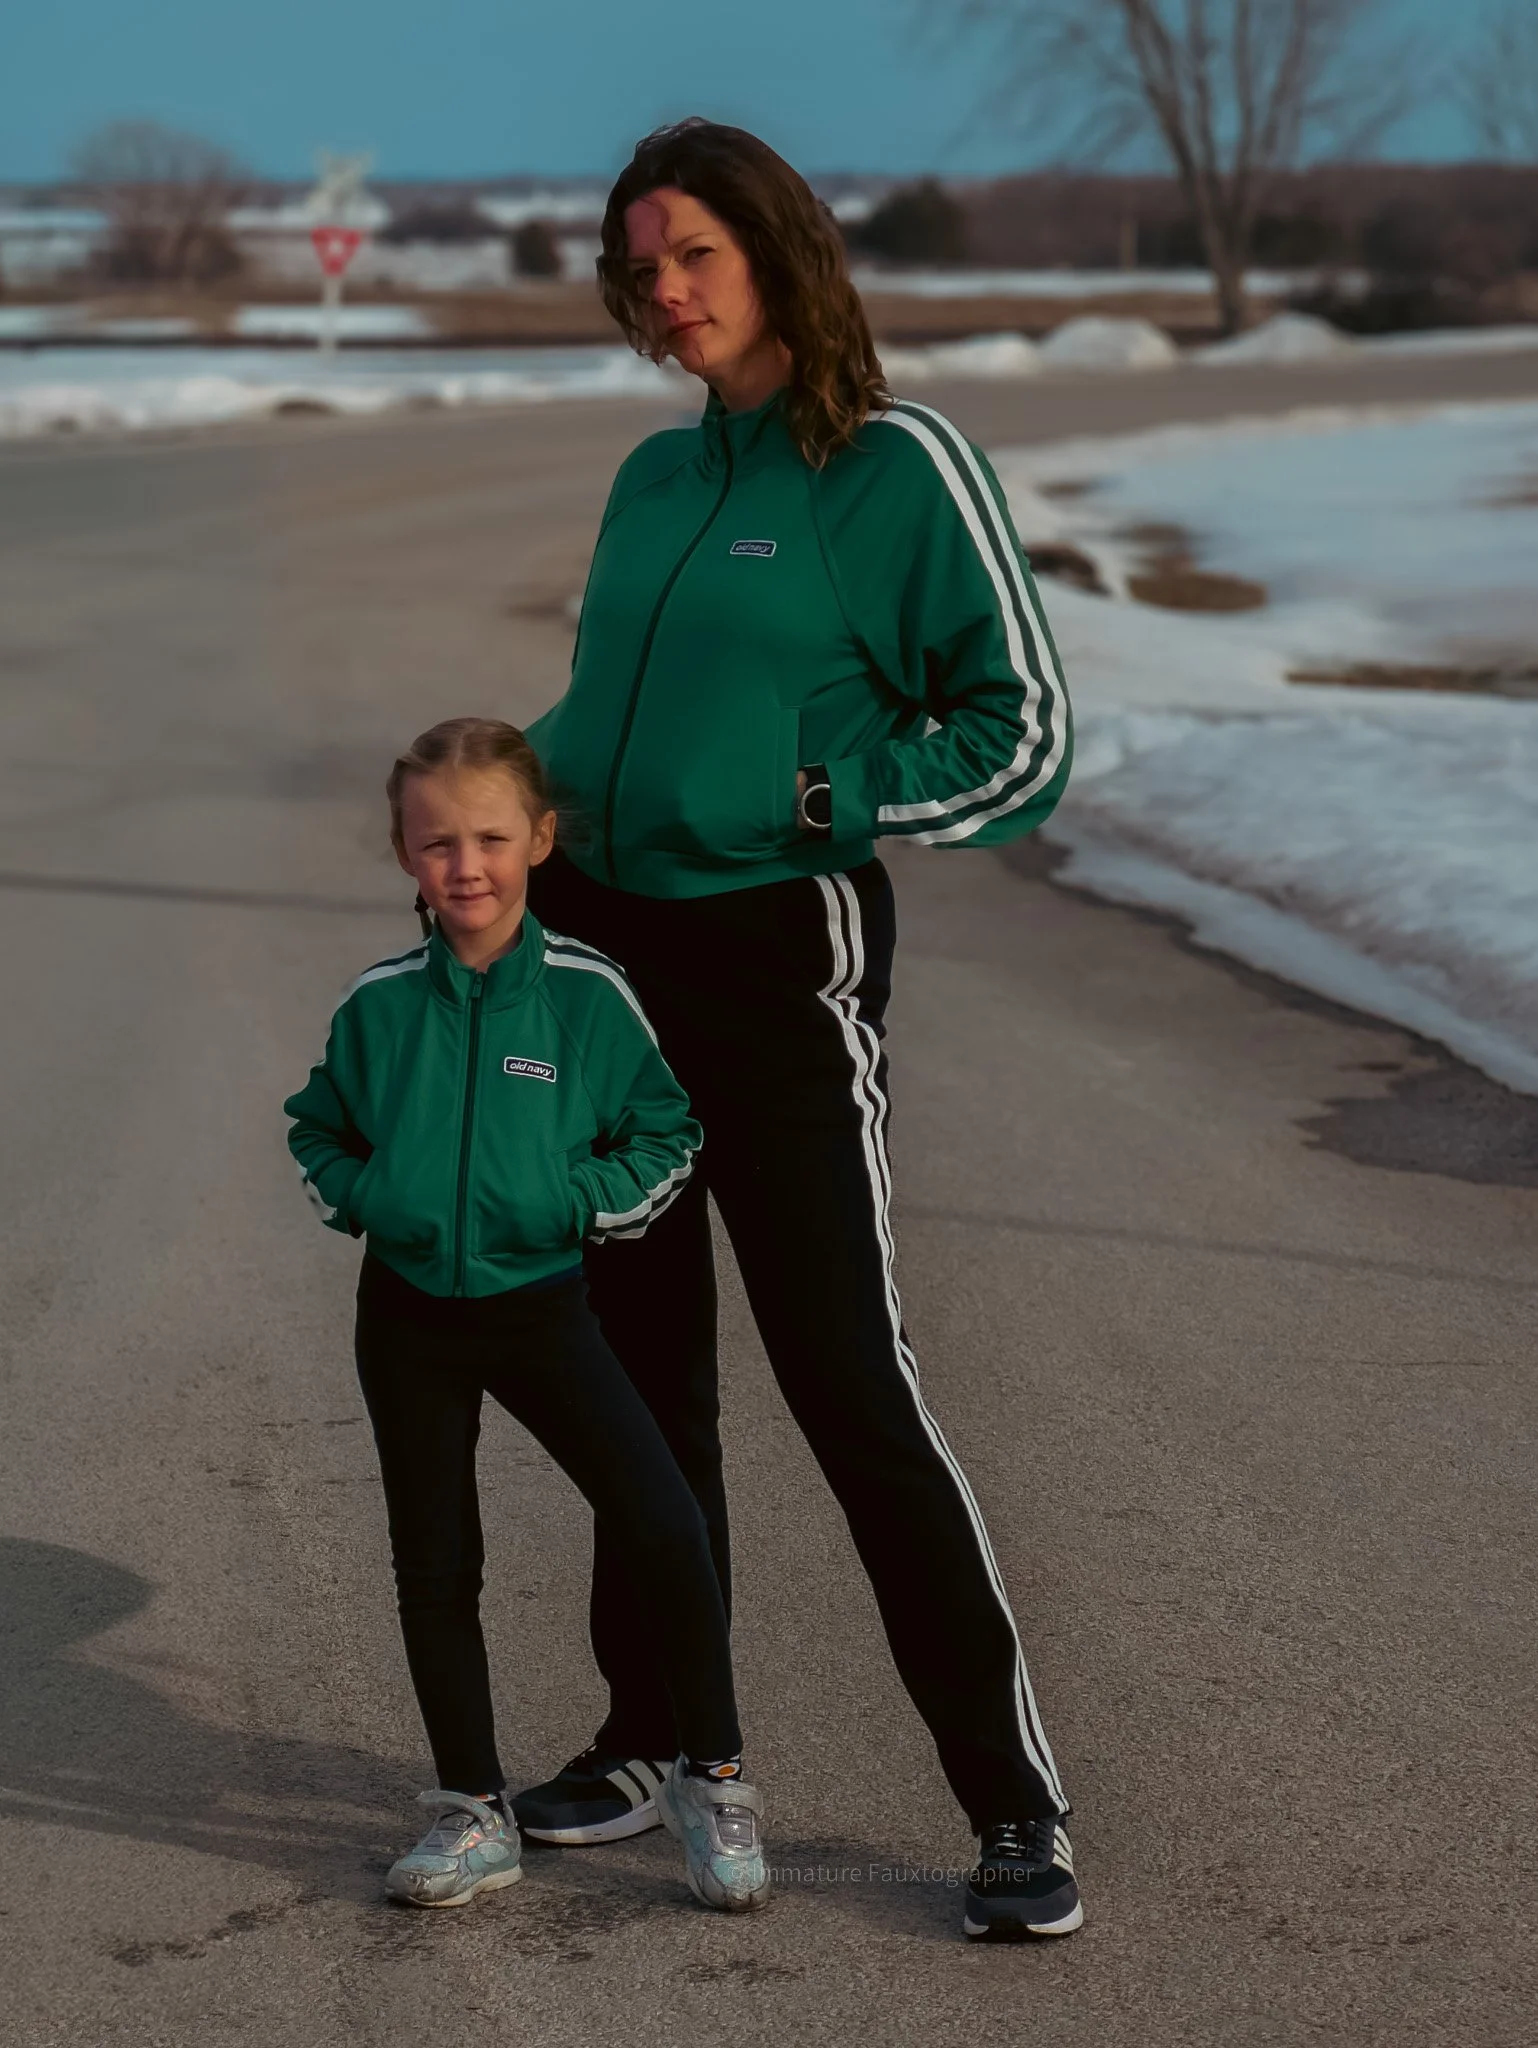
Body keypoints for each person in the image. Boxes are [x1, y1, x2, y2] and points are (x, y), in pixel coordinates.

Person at [515, 121, 1081, 1942]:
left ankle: (1008, 1801)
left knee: (847, 1379)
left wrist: (812, 787)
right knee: (637, 1381)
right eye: (634, 268)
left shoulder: (893, 467)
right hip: (602, 956)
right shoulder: (651, 478)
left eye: (687, 254)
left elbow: (1017, 734)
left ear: (773, 249)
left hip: (774, 963)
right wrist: (517, 806)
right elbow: (623, 700)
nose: (660, 293)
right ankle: (649, 1731)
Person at [284, 716, 770, 1915]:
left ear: (540, 839)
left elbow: (664, 1130)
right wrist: (374, 1199)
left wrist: (576, 1200)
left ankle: (712, 1778)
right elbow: (318, 1126)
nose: (467, 864)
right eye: (438, 841)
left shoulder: (588, 996)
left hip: (544, 1309)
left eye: (492, 836)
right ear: (405, 853)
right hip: (405, 1319)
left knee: (661, 1517)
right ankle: (469, 1808)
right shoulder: (381, 1004)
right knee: (435, 1562)